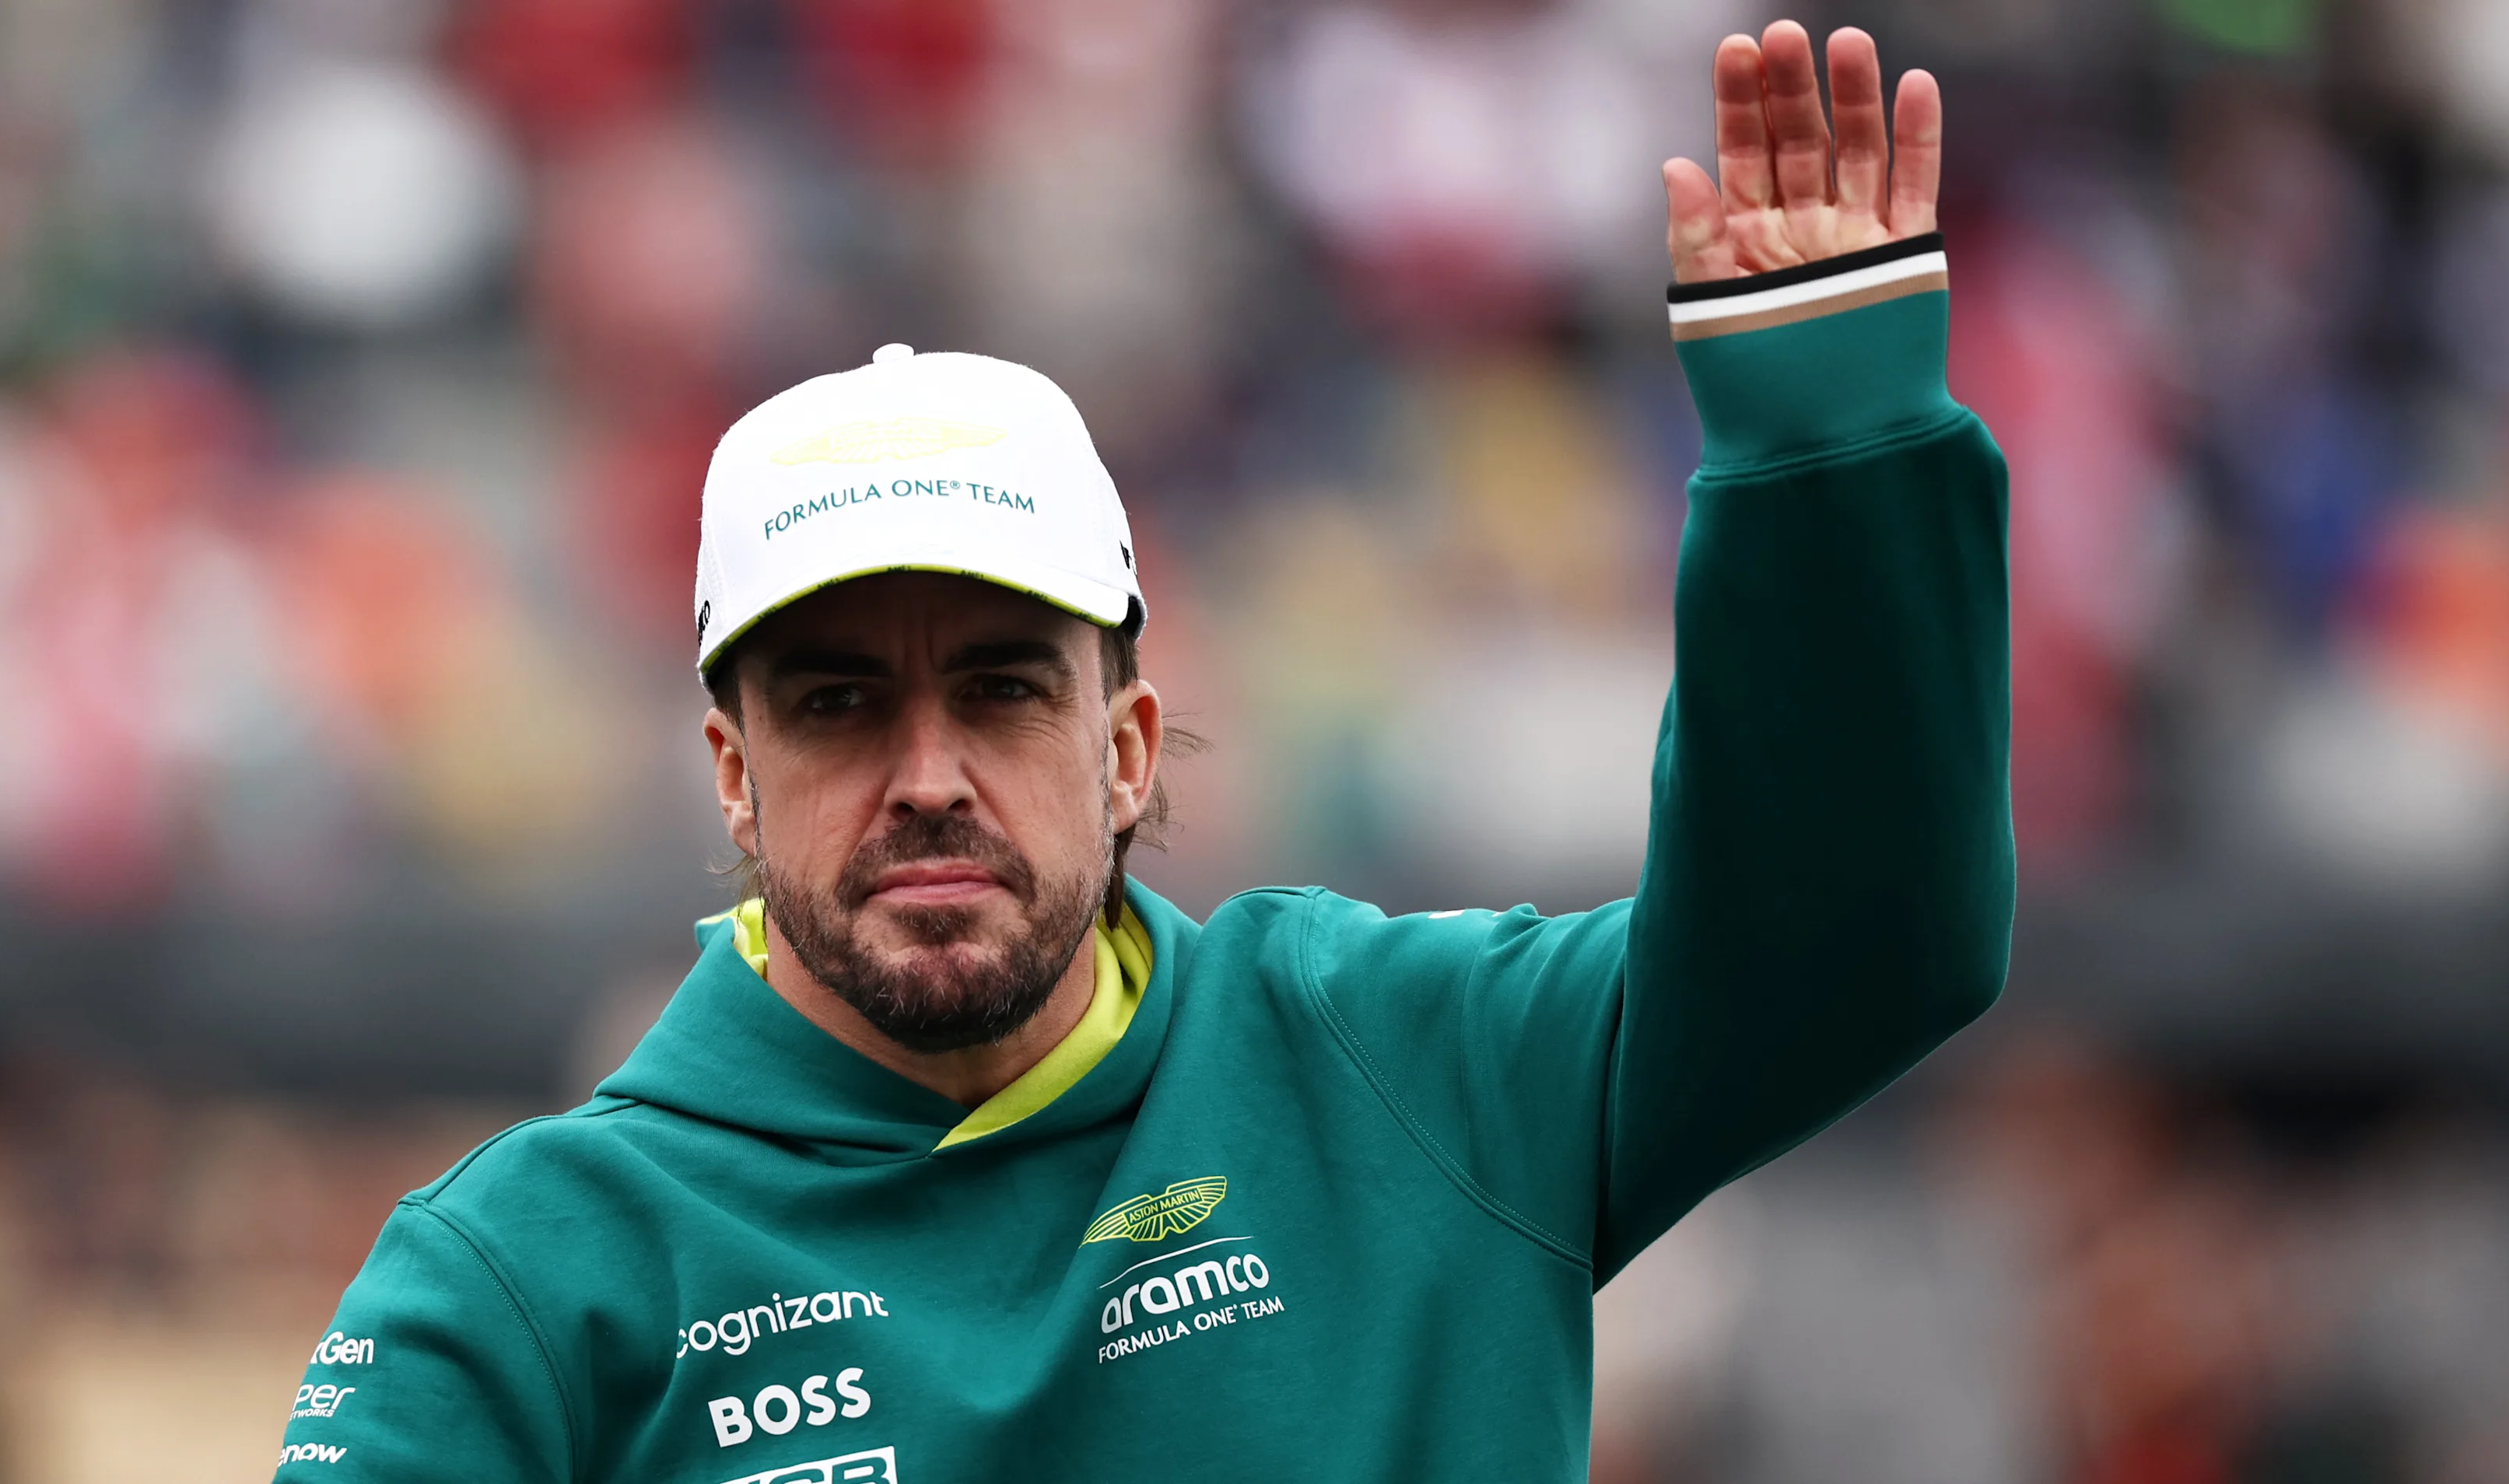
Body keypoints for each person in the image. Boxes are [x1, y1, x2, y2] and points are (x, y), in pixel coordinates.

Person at [272, 21, 2009, 1483]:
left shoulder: (1406, 1069)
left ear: (1129, 749)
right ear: (731, 773)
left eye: (1004, 691)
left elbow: (1865, 948)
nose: (929, 773)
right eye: (838, 704)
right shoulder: (515, 1288)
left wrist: (1829, 458)